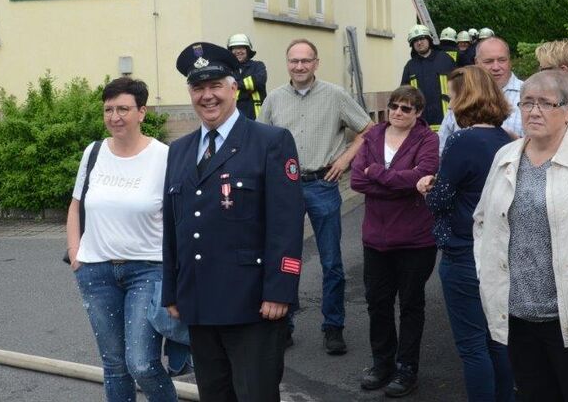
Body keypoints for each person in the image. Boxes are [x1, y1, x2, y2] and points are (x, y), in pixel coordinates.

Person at [162, 42, 305, 402]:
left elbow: (286, 224)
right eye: (198, 88)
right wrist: (171, 291)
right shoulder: (179, 151)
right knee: (214, 395)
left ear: (234, 87)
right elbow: (173, 228)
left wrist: (279, 289)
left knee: (255, 394)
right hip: (199, 301)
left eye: (215, 86)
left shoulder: (270, 141)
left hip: (252, 302)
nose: (207, 96)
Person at [66, 77, 178, 402]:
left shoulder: (164, 156)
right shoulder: (94, 152)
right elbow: (76, 206)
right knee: (114, 364)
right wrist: (76, 254)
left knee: (141, 363)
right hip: (96, 272)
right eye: (109, 109)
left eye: (123, 109)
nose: (115, 116)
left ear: (141, 112)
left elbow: (177, 218)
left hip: (148, 271)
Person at [259, 38, 372, 354]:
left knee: (332, 262)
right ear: (287, 63)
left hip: (322, 184)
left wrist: (344, 160)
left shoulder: (336, 95)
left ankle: (333, 327)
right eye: (294, 61)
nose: (299, 66)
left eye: (305, 61)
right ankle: (285, 326)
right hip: (285, 188)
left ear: (316, 63)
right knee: (286, 259)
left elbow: (367, 131)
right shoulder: (274, 99)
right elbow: (260, 140)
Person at [417, 66, 515, 402]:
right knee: (497, 340)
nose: (449, 103)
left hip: (463, 251)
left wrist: (425, 187)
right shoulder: (508, 139)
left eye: (452, 95)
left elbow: (441, 199)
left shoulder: (462, 139)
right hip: (499, 250)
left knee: (473, 346)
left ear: (466, 96)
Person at [474, 70, 568, 401]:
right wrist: (484, 273)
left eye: (546, 103)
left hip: (566, 317)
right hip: (517, 313)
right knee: (533, 394)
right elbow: (483, 222)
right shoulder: (506, 158)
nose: (534, 111)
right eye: (527, 102)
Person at [351, 86, 439, 397]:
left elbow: (425, 175)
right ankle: (382, 363)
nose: (398, 113)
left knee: (411, 304)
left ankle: (407, 369)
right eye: (394, 107)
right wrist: (402, 183)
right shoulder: (374, 135)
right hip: (376, 237)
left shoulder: (428, 139)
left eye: (406, 108)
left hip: (415, 239)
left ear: (418, 114)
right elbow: (356, 180)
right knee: (378, 304)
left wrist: (376, 172)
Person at [438, 36, 523, 153]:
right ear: (476, 63)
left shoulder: (528, 94)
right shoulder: (463, 95)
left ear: (510, 61)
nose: (496, 67)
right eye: (489, 61)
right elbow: (441, 149)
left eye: (502, 60)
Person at [401, 24, 456, 132]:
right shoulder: (410, 66)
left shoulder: (445, 59)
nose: (419, 42)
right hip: (419, 125)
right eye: (415, 40)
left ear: (429, 40)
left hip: (447, 122)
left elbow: (460, 87)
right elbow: (404, 94)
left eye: (422, 38)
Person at [227, 33, 267, 120]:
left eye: (241, 47)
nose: (238, 51)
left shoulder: (258, 65)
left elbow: (259, 81)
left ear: (248, 50)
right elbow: (225, 88)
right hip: (233, 118)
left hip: (257, 118)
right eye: (234, 48)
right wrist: (248, 89)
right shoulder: (227, 69)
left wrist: (235, 85)